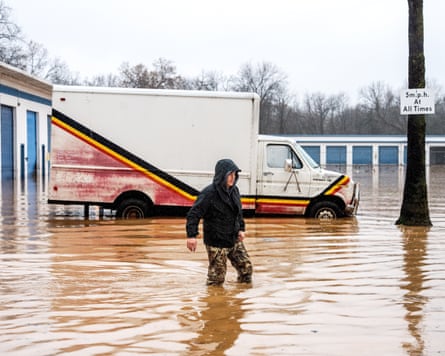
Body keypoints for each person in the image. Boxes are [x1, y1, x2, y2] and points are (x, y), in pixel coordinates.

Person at [186, 158, 253, 286]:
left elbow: (238, 212)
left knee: (246, 269)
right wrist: (191, 236)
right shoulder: (209, 193)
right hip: (216, 242)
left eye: (234, 174)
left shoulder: (235, 191)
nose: (232, 178)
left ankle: (241, 299)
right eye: (230, 174)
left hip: (233, 239)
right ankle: (213, 302)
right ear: (222, 175)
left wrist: (241, 229)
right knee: (216, 279)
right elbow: (193, 214)